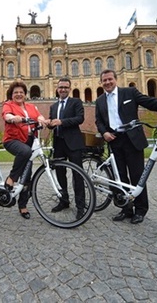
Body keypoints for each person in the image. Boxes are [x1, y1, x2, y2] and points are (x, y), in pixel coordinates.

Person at [94, 69, 157, 225]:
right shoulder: (99, 100)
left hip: (132, 139)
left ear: (115, 79)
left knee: (137, 176)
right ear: (101, 82)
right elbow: (98, 121)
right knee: (119, 177)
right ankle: (126, 209)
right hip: (114, 140)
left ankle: (140, 210)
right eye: (104, 80)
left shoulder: (129, 93)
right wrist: (104, 132)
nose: (107, 82)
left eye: (109, 79)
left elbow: (151, 103)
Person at [1, 81, 48, 219]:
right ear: (11, 94)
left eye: (21, 92)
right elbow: (6, 115)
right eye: (16, 92)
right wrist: (13, 118)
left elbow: (38, 116)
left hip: (29, 141)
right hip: (12, 140)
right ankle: (11, 179)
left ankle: (23, 206)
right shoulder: (8, 105)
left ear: (25, 94)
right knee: (25, 152)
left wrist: (41, 119)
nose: (19, 94)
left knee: (27, 176)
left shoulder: (31, 106)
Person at [47, 77, 86, 219]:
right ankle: (64, 201)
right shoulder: (53, 106)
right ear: (57, 89)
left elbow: (80, 118)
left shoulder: (76, 102)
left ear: (69, 89)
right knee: (60, 174)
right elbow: (52, 122)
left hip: (73, 143)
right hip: (58, 143)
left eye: (65, 87)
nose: (62, 89)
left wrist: (62, 122)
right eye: (60, 87)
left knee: (78, 175)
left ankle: (81, 206)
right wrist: (49, 123)